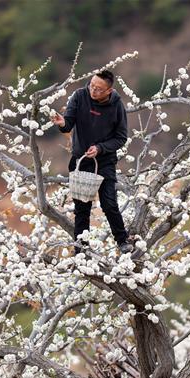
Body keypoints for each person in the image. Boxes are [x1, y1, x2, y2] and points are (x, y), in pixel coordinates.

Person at [51, 70, 133, 254]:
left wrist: (100, 148)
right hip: (81, 161)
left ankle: (122, 240)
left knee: (109, 203)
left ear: (108, 91)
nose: (93, 91)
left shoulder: (116, 105)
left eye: (98, 89)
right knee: (82, 209)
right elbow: (69, 123)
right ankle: (81, 250)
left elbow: (121, 138)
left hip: (104, 162)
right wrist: (62, 123)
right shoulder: (80, 96)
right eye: (91, 86)